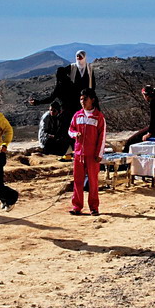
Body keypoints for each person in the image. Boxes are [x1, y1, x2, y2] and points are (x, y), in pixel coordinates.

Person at [68, 88, 106, 216]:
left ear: (92, 100)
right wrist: (75, 134)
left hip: (92, 155)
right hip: (79, 154)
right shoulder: (77, 115)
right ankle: (77, 206)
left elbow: (102, 137)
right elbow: (70, 129)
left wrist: (99, 154)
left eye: (85, 99)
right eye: (81, 99)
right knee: (78, 181)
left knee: (93, 182)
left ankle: (94, 207)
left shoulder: (98, 117)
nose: (82, 101)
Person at [123, 85, 155, 152]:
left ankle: (126, 158)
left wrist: (149, 133)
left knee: (130, 141)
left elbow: (154, 119)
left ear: (146, 96)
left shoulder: (154, 103)